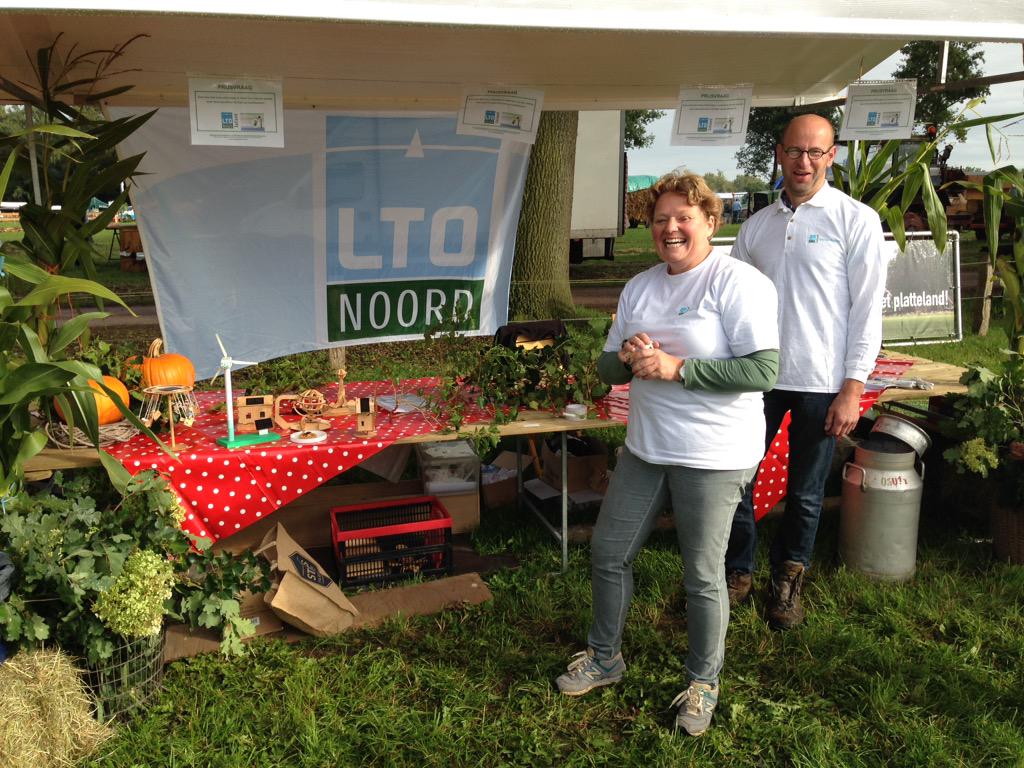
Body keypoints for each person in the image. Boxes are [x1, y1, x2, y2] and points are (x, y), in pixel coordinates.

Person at [554, 172, 780, 736]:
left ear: (709, 220)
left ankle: (704, 682)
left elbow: (763, 370)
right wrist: (628, 355)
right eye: (660, 220)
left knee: (702, 575)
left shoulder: (738, 283)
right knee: (608, 553)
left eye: (684, 217)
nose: (671, 228)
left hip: (715, 452)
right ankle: (605, 658)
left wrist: (678, 368)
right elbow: (606, 371)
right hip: (647, 447)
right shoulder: (641, 287)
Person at [724, 114, 888, 630]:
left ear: (832, 155)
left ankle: (787, 582)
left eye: (816, 152)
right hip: (759, 377)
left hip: (823, 382)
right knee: (738, 479)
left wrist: (853, 386)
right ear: (779, 153)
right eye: (795, 151)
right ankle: (737, 573)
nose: (804, 162)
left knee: (806, 492)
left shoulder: (855, 219)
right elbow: (730, 302)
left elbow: (867, 310)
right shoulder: (757, 226)